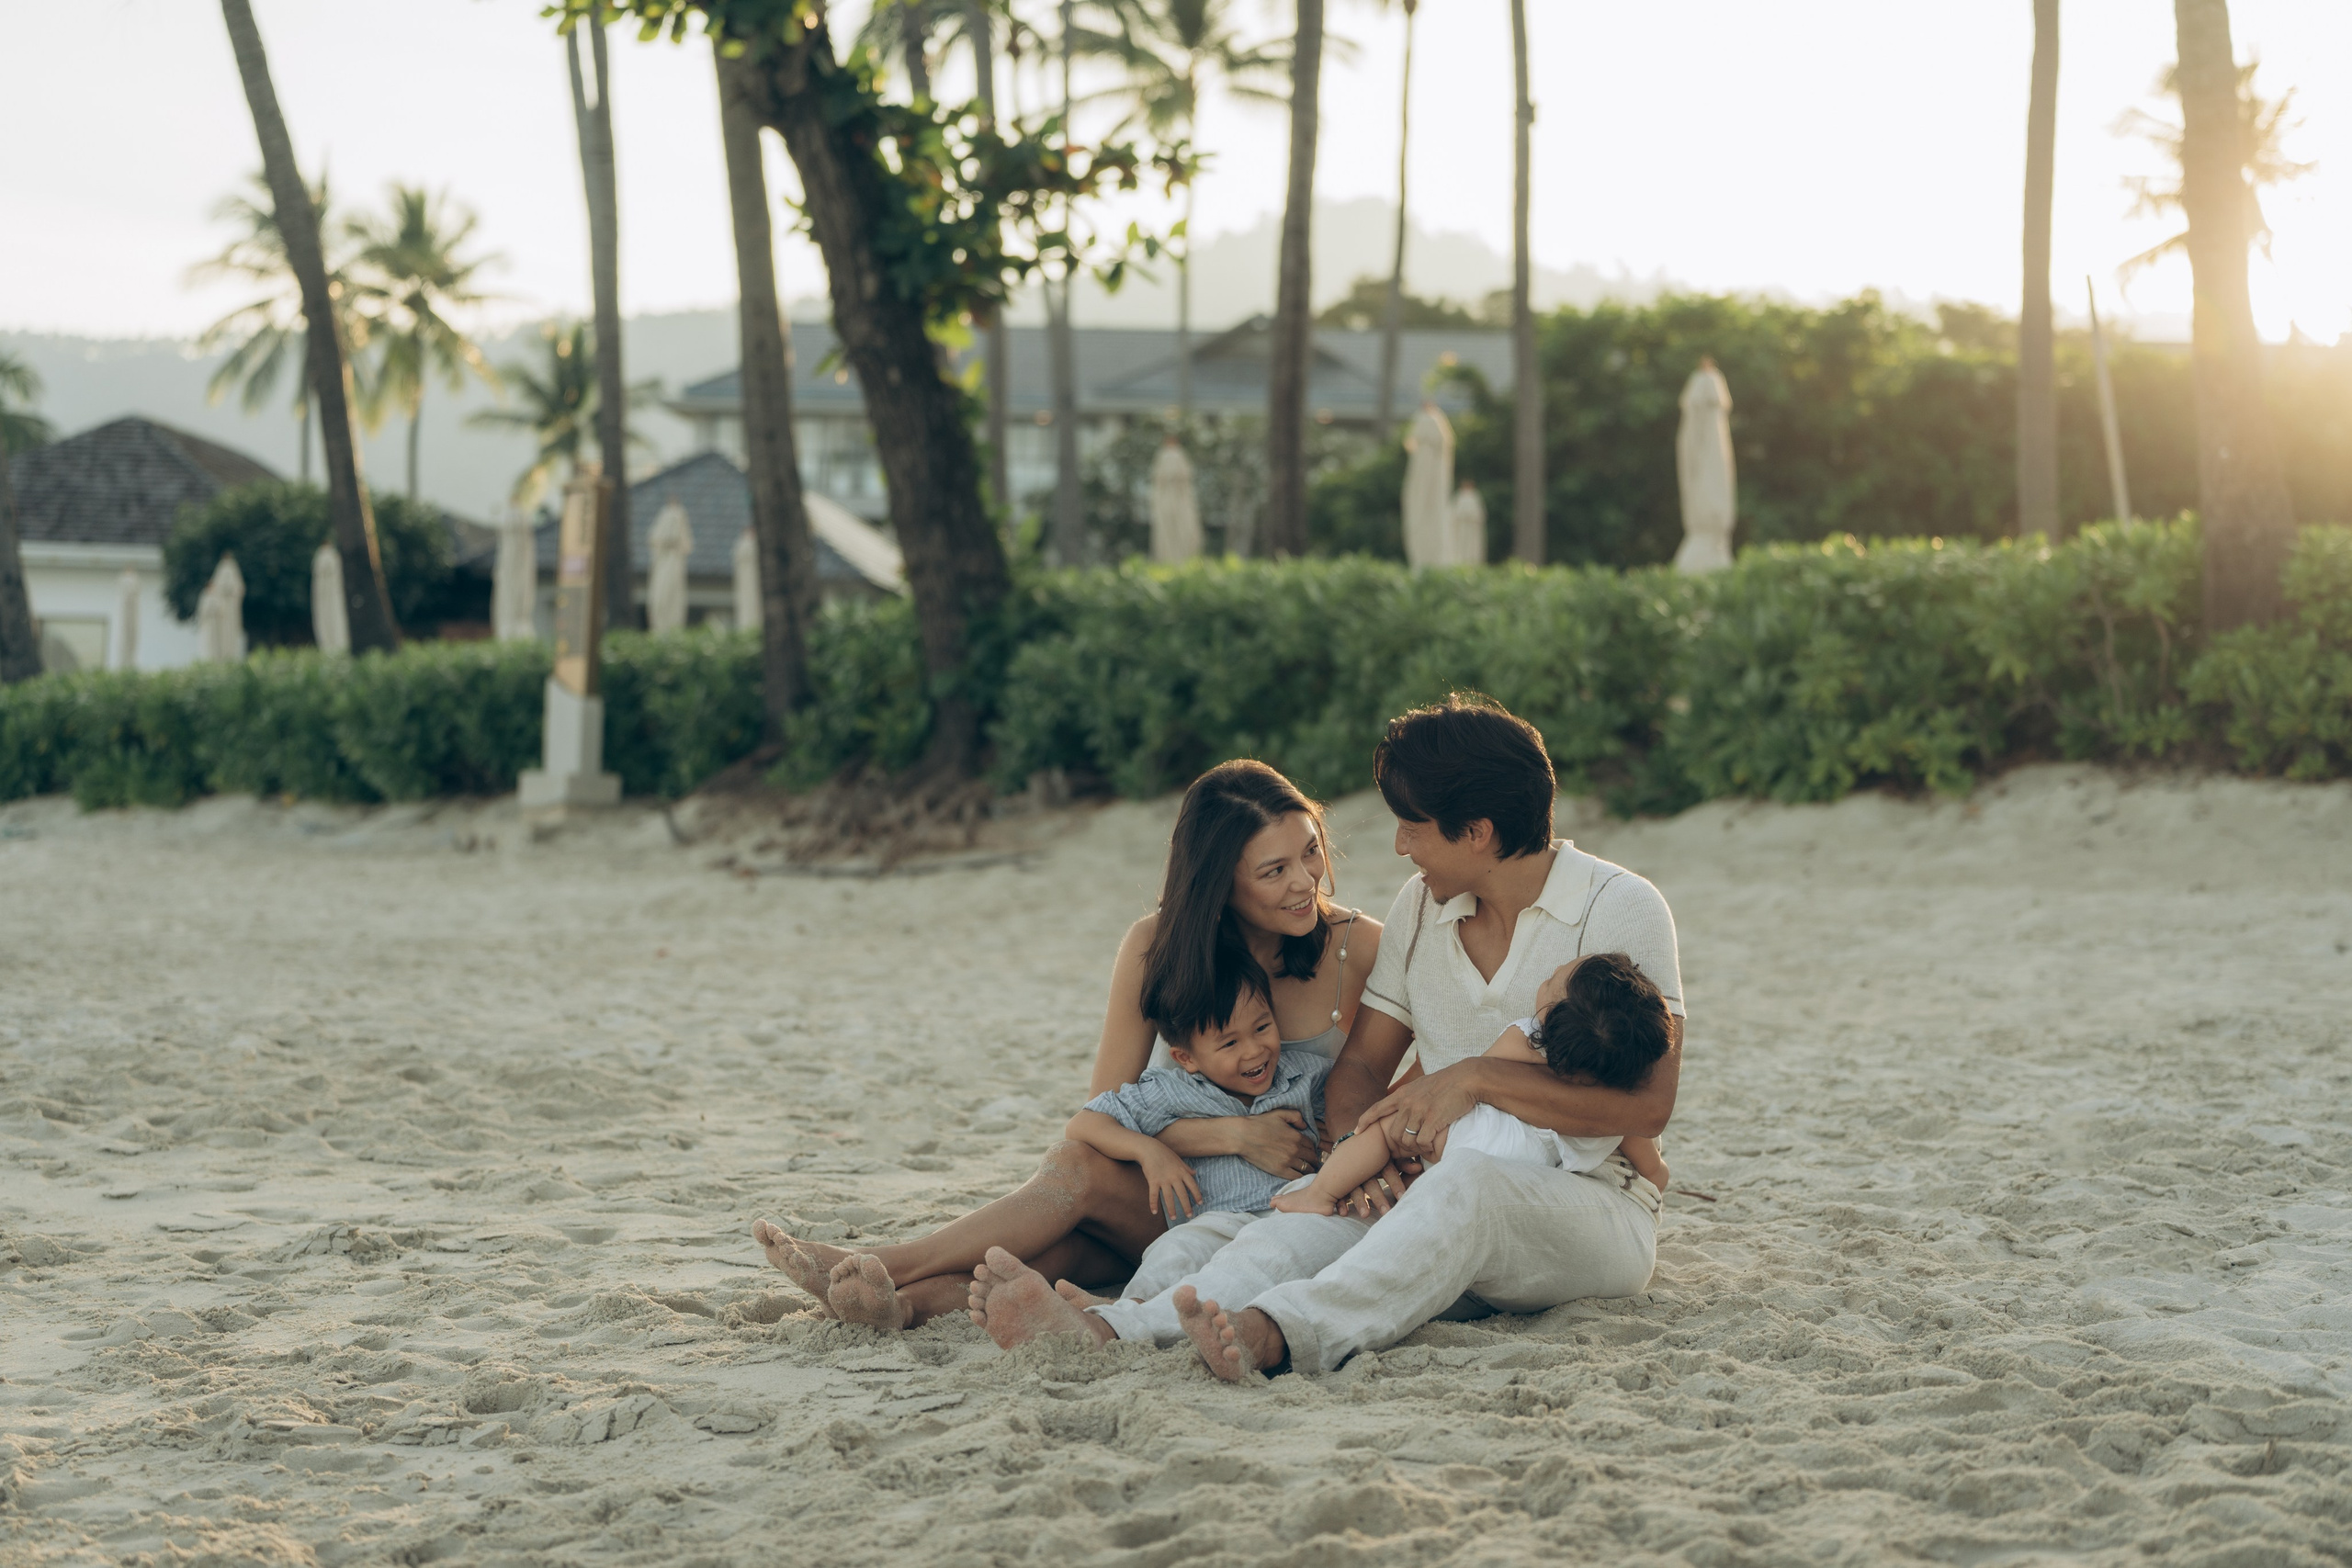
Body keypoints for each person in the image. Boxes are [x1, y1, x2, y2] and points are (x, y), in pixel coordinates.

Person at [967, 693, 1683, 1381]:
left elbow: (1647, 1105)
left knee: (1469, 1187)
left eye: (1413, 826)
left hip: (1593, 1206)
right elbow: (1361, 1069)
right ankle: (1112, 1330)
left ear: (1477, 832)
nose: (1400, 847)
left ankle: (1279, 1333)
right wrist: (1354, 1159)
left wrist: (1474, 1077)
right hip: (1432, 1187)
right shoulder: (1420, 909)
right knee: (1289, 1221)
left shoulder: (1619, 906)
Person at [750, 760, 1381, 1329]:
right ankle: (893, 1287)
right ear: (1222, 881)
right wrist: (1235, 1135)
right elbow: (1103, 1110)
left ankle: (889, 1281)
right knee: (1074, 1182)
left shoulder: (1360, 947)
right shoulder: (1155, 946)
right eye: (1275, 870)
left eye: (1311, 852)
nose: (1306, 882)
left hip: (1264, 1208)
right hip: (1168, 1190)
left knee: (1072, 1241)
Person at [1272, 952, 1671, 1215]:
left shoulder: (1525, 1038)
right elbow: (1640, 1147)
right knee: (1426, 1162)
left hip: (1496, 1138)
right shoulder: (1617, 1087)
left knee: (1389, 1133)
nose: (1546, 979)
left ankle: (1319, 1194)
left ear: (1550, 1013)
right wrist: (1654, 1173)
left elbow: (1481, 1080)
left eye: (1552, 979)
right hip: (1541, 1168)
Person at [1068, 971, 1331, 1303]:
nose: (1254, 1050)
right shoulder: (1172, 1091)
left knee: (1281, 1257)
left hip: (1289, 1213)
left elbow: (1352, 1114)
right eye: (1230, 1043)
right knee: (1173, 1253)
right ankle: (1125, 1309)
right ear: (1186, 1058)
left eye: (1262, 1028)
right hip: (1214, 1220)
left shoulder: (1309, 1075)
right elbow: (1083, 1124)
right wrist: (1150, 1151)